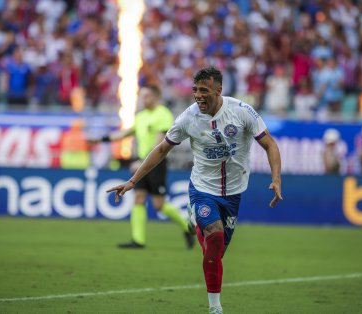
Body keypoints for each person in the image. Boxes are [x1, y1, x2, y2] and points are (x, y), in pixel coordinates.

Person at [107, 67, 282, 314]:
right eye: (195, 90)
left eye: (204, 90)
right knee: (215, 236)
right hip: (202, 188)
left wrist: (276, 178)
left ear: (218, 90)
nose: (198, 95)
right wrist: (133, 181)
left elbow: (270, 144)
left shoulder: (242, 112)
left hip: (233, 192)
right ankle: (215, 307)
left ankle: (194, 222)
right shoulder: (188, 118)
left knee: (217, 252)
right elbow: (160, 150)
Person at [90, 85, 195, 249]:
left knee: (158, 204)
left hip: (156, 162)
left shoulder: (163, 114)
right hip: (141, 162)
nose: (142, 99)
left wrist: (142, 161)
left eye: (146, 96)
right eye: (141, 96)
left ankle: (187, 227)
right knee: (138, 198)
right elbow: (126, 133)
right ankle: (138, 240)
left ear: (155, 97)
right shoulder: (141, 116)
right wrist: (102, 139)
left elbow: (160, 143)